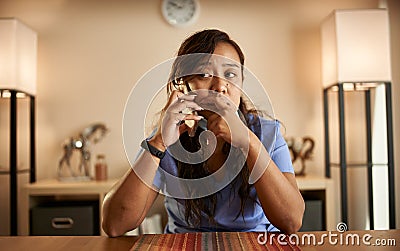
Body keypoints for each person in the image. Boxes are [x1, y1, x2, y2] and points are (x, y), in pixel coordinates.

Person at [102, 29, 304, 237]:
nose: (220, 87)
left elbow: (291, 221)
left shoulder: (267, 133)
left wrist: (248, 142)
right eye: (205, 74)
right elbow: (115, 225)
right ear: (184, 84)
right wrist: (159, 142)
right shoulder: (169, 136)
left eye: (230, 74)